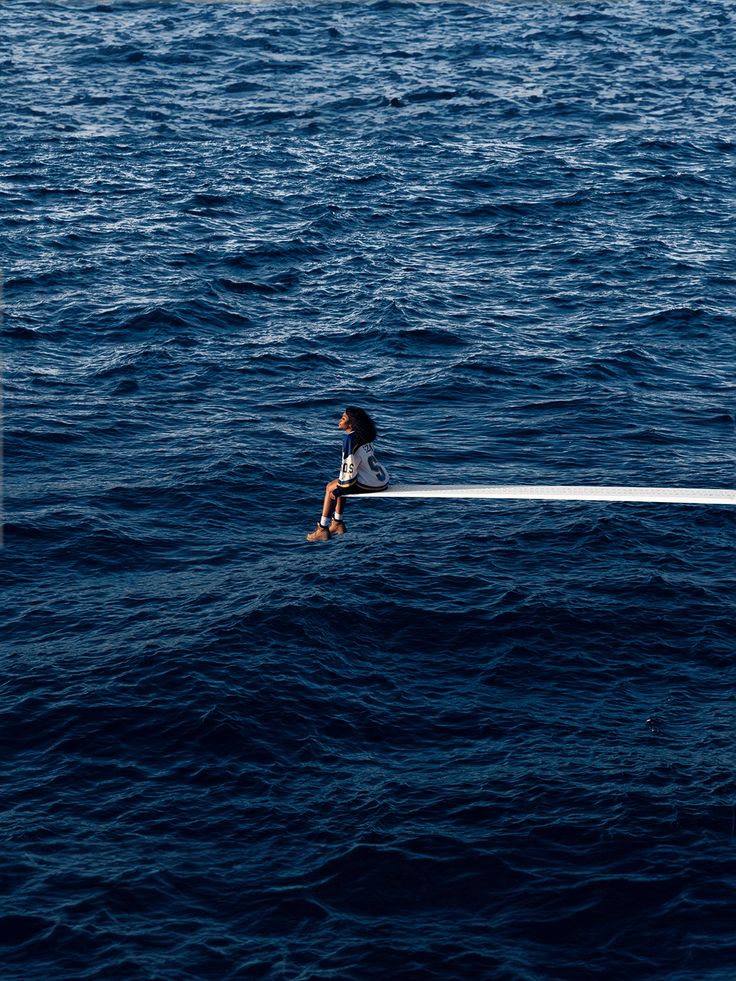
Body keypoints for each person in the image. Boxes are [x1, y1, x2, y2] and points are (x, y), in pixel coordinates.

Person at [306, 407, 389, 541]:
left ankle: (322, 528)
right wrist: (341, 486)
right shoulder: (363, 435)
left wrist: (340, 489)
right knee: (339, 483)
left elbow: (349, 467)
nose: (339, 420)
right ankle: (337, 522)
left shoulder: (350, 440)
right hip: (381, 480)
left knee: (330, 487)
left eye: (343, 418)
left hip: (371, 484)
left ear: (351, 425)